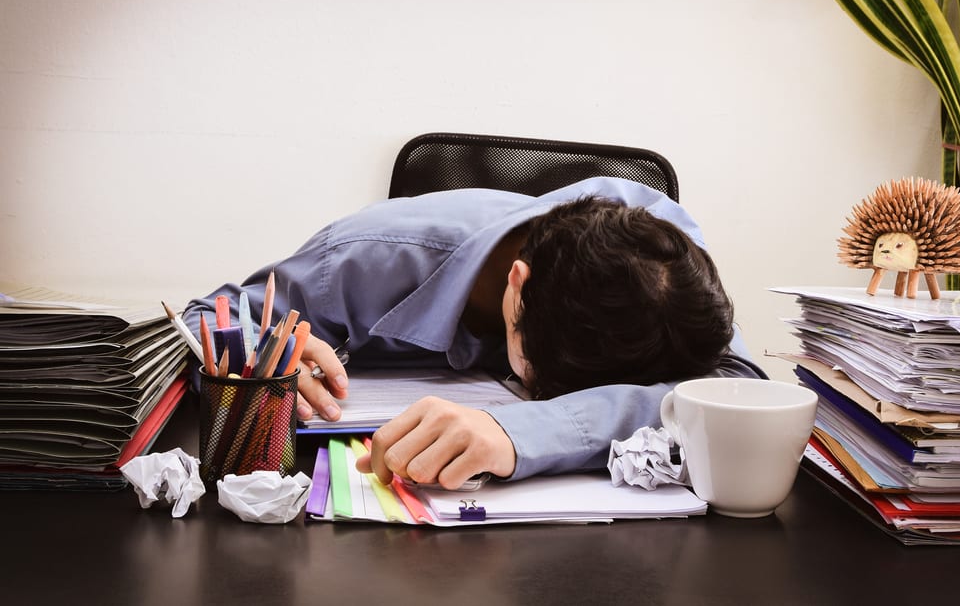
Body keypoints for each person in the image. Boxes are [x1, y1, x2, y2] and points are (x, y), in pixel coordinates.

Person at [184, 176, 764, 489]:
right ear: (518, 286)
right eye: (541, 385)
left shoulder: (669, 260)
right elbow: (202, 320)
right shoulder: (363, 258)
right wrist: (257, 350)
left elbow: (740, 389)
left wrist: (522, 430)